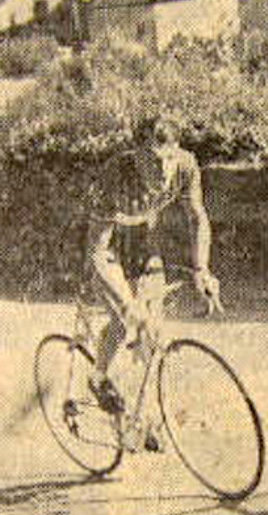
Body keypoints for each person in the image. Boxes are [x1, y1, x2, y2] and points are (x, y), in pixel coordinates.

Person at [87, 117, 219, 423]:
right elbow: (98, 251)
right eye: (152, 160)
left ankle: (147, 415)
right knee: (124, 321)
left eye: (168, 159)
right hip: (107, 245)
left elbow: (197, 217)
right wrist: (126, 304)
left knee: (153, 330)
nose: (162, 170)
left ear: (178, 151)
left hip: (144, 242)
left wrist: (202, 269)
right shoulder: (114, 174)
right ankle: (97, 377)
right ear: (136, 156)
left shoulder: (185, 166)